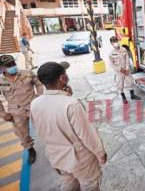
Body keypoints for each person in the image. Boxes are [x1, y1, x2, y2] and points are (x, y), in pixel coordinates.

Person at [31, 62, 107, 191]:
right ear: (62, 78)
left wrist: (66, 95)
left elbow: (43, 128)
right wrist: (100, 153)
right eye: (65, 74)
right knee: (89, 185)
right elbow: (87, 134)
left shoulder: (35, 103)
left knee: (68, 184)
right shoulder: (71, 105)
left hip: (56, 156)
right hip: (79, 159)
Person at [0, 54, 43, 164]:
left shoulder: (27, 73)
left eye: (13, 63)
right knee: (22, 134)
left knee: (46, 127)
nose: (12, 66)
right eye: (8, 65)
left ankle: (55, 145)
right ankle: (30, 150)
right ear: (2, 68)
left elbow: (39, 84)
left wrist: (40, 97)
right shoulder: (0, 81)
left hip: (34, 107)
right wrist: (3, 113)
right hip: (16, 113)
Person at [109, 36, 140, 104]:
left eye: (116, 41)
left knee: (130, 82)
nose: (115, 43)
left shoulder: (123, 49)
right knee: (120, 84)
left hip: (126, 70)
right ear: (111, 43)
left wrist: (126, 69)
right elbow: (111, 64)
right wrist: (120, 69)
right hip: (119, 71)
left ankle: (132, 95)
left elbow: (127, 59)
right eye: (113, 42)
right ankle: (124, 98)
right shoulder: (111, 53)